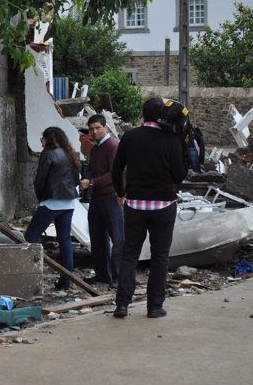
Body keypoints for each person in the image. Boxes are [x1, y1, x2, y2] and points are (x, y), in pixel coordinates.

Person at [111, 97, 189, 319]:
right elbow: (178, 176)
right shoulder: (171, 140)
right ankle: (154, 307)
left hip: (135, 205)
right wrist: (183, 153)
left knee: (130, 254)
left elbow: (116, 170)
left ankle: (122, 305)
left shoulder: (130, 137)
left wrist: (120, 193)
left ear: (144, 114)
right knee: (160, 256)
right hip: (163, 205)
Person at [24, 126, 81, 290]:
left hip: (51, 201)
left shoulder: (48, 154)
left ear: (48, 138)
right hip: (69, 202)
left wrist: (41, 198)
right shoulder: (70, 153)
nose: (41, 141)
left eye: (42, 138)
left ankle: (32, 277)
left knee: (31, 237)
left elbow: (40, 180)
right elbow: (76, 179)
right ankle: (66, 281)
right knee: (65, 241)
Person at [80, 114, 124, 290]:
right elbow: (93, 169)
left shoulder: (113, 145)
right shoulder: (96, 148)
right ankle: (102, 275)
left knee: (118, 238)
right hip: (97, 198)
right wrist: (86, 179)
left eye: (98, 128)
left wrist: (91, 182)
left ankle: (118, 276)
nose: (94, 131)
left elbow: (115, 174)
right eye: (91, 129)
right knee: (98, 239)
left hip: (111, 197)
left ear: (105, 127)